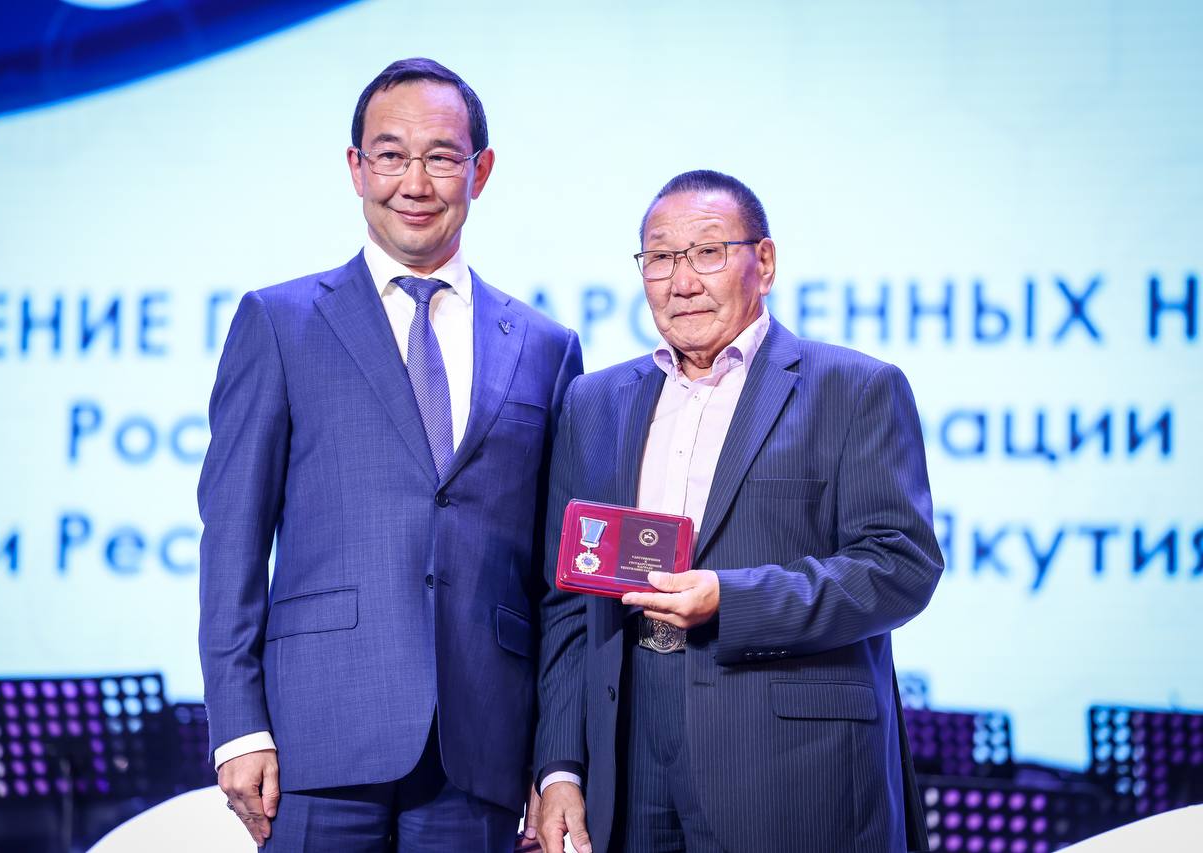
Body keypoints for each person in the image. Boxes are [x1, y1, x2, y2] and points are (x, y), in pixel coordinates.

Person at [198, 57, 581, 851]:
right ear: (356, 168)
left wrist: (554, 762)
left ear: (480, 171)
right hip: (314, 741)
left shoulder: (545, 346)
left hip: (481, 746)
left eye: (440, 156)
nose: (415, 181)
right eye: (390, 155)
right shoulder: (281, 321)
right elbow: (232, 537)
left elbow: (556, 582)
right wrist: (238, 723)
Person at [534, 170, 942, 853]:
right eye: (660, 257)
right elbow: (568, 602)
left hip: (788, 763)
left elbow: (900, 566)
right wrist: (560, 769)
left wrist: (732, 599)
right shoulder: (594, 403)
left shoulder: (854, 388)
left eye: (707, 252)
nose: (681, 281)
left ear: (766, 263)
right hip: (627, 757)